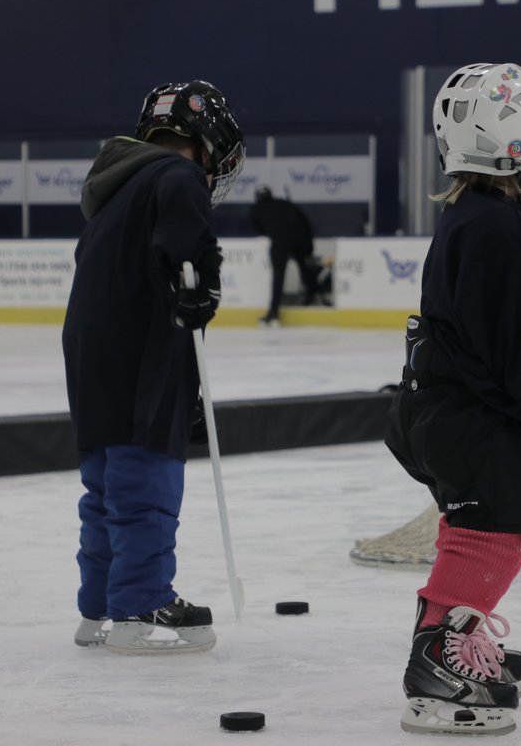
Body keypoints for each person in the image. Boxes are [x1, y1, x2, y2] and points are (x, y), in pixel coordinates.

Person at [384, 63, 521, 735]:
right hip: (465, 413)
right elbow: (510, 345)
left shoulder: (478, 217)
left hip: (446, 407)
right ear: (499, 144)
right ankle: (439, 660)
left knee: (476, 522)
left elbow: (512, 334)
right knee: (498, 527)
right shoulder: (498, 230)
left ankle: (456, 634)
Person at [62, 79, 244, 655]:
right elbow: (186, 249)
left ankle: (97, 607)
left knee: (105, 483)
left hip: (91, 352)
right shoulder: (178, 176)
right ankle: (139, 605)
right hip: (142, 350)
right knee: (146, 474)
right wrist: (203, 283)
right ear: (207, 140)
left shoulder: (118, 189)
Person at [250, 186, 331, 326]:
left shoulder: (256, 210)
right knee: (304, 265)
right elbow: (305, 222)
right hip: (300, 238)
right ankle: (313, 292)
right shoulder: (285, 203)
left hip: (280, 240)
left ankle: (274, 312)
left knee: (278, 276)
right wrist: (308, 245)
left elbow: (261, 229)